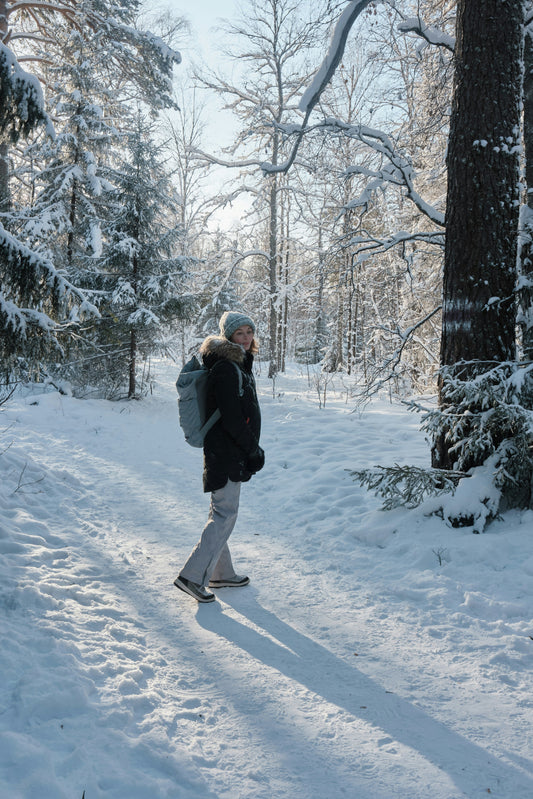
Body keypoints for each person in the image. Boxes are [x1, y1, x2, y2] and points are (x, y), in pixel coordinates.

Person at [174, 311, 265, 603]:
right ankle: (191, 576)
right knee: (225, 514)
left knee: (221, 512)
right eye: (240, 333)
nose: (246, 338)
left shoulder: (236, 364)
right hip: (226, 452)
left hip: (226, 450)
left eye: (249, 332)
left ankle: (220, 573)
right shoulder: (226, 367)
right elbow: (232, 418)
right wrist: (252, 450)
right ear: (229, 337)